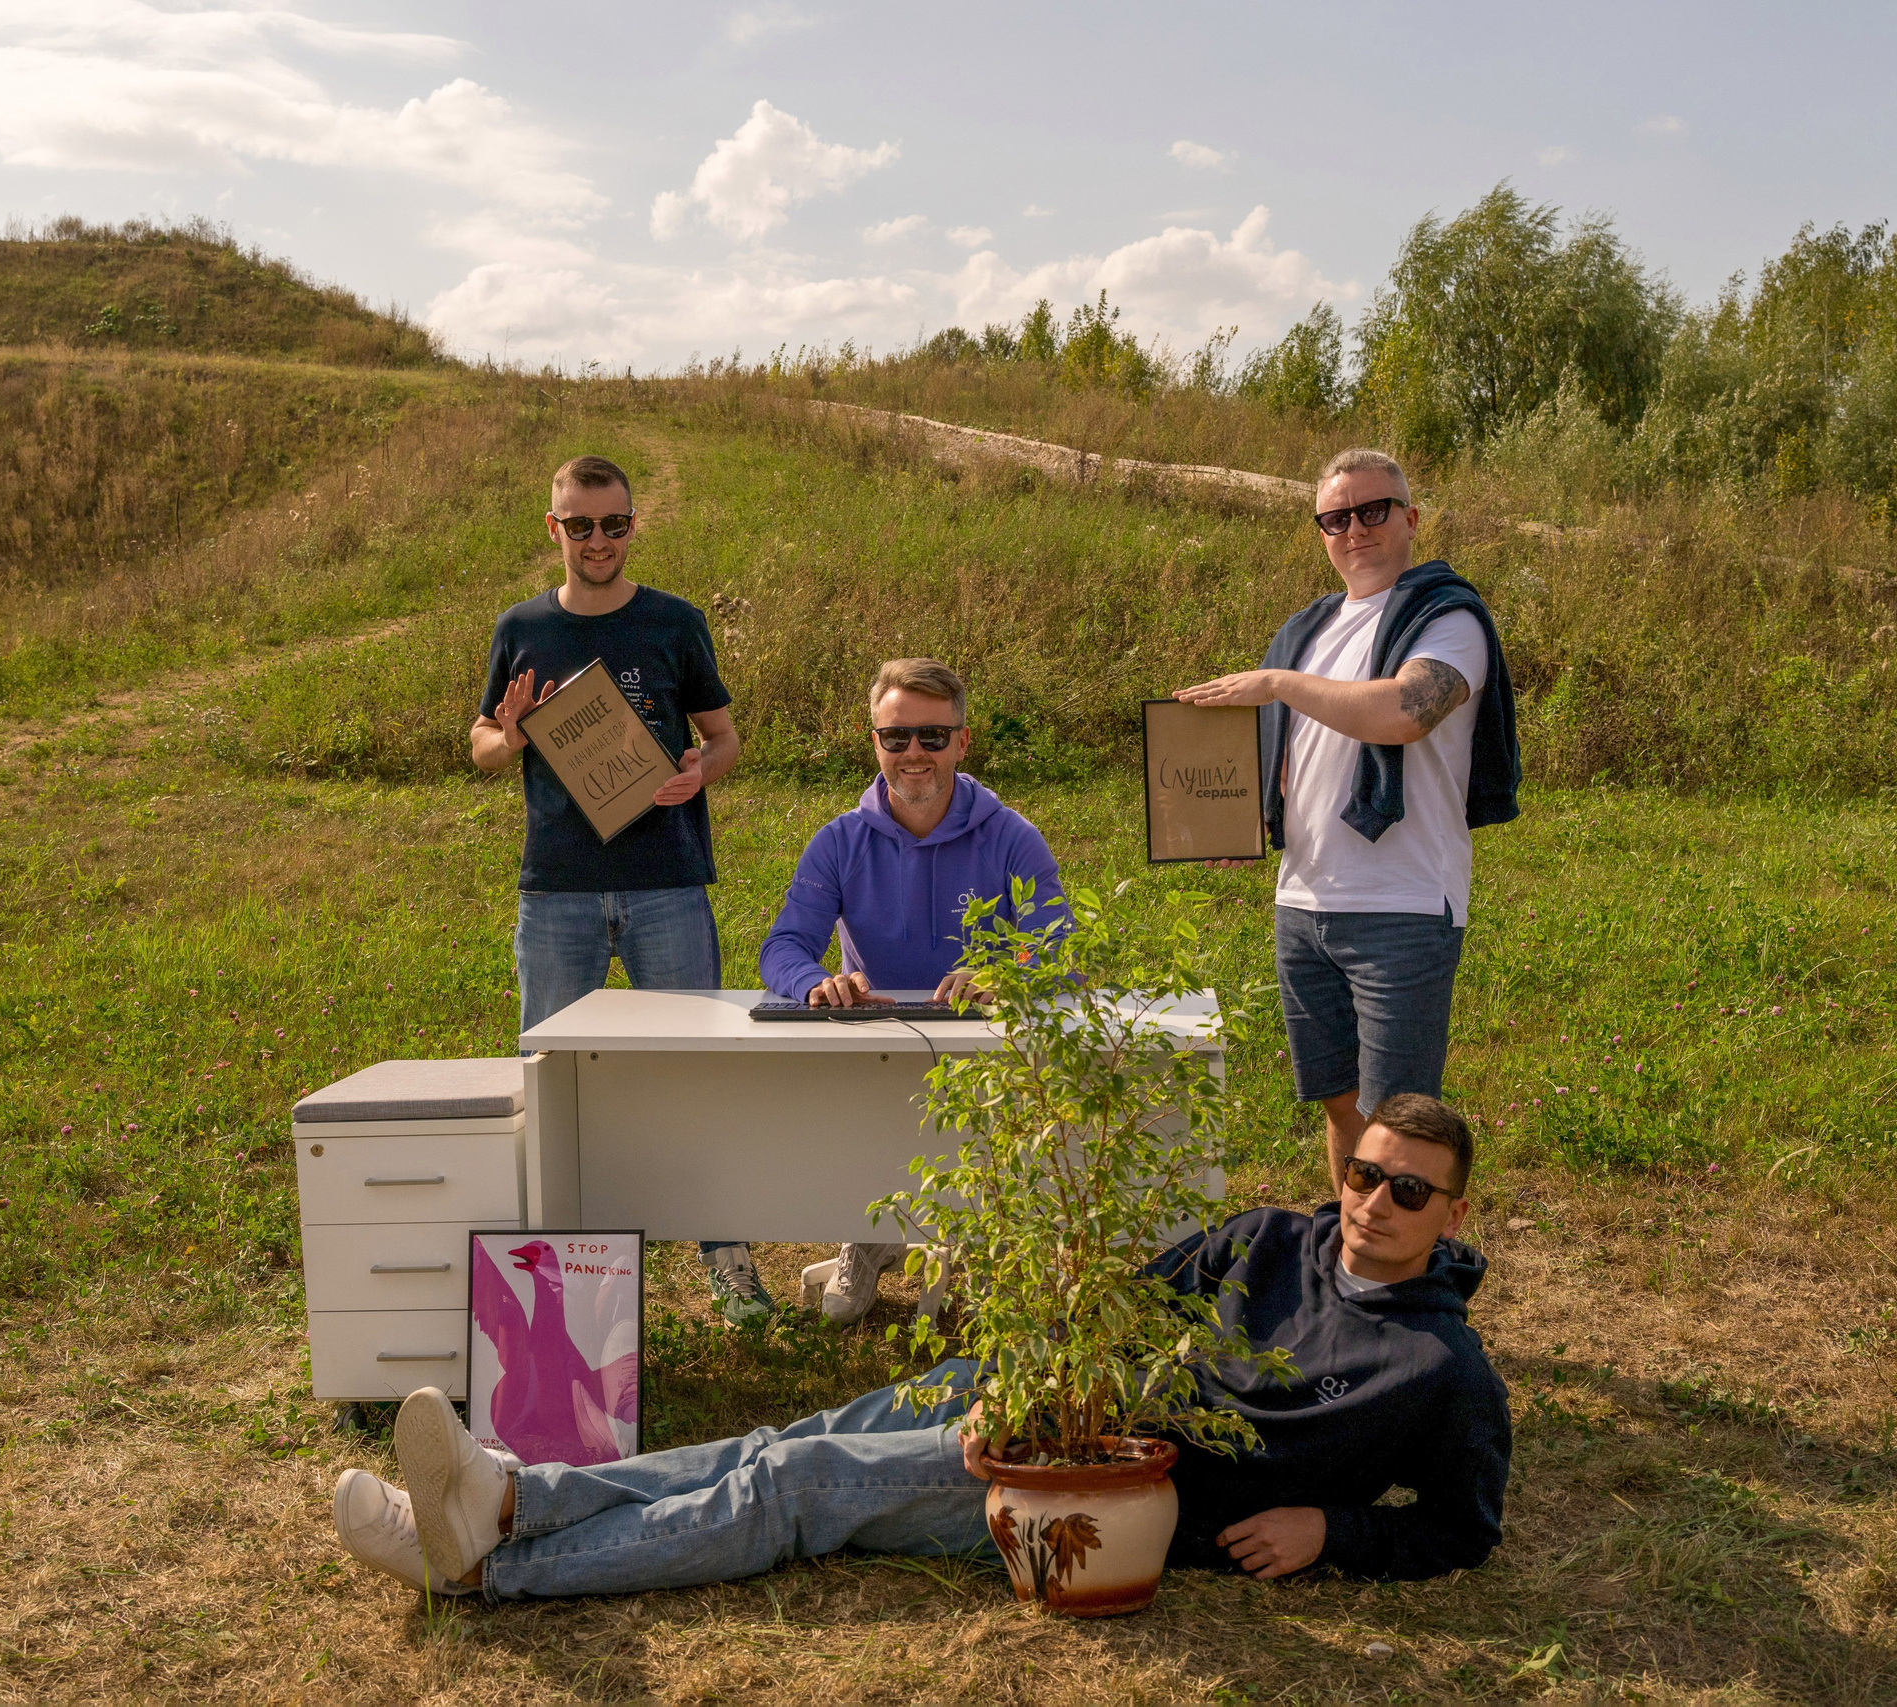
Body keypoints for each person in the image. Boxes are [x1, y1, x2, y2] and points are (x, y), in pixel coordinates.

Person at [330, 1094, 1511, 1598]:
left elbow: (1464, 1529)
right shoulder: (1268, 1237)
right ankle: (519, 1500)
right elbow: (1115, 1314)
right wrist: (1025, 1379)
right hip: (1042, 1401)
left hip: (1101, 1487)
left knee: (797, 1485)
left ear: (1451, 1214)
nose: (1375, 1202)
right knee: (782, 1438)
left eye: (1409, 1192)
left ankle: (487, 1569)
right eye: (1363, 1173)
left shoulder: (1440, 1371)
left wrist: (1334, 1531)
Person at [473, 453, 769, 1325]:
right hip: (558, 887)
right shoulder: (521, 626)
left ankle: (729, 1261)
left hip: (665, 880)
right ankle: (555, 1279)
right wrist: (514, 735)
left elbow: (724, 739)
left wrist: (695, 771)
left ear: (633, 525)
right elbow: (482, 746)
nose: (597, 540)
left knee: (697, 1073)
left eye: (614, 523)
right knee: (550, 1079)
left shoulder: (675, 623)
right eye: (579, 524)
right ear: (552, 528)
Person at [1174, 448, 1519, 1196]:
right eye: (1336, 517)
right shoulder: (1309, 628)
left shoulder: (1447, 616)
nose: (1354, 528)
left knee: (1399, 1122)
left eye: (1373, 510)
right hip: (1304, 903)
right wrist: (1240, 820)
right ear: (1321, 531)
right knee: (1337, 1101)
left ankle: (1400, 1283)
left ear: (1411, 518)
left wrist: (1273, 683)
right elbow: (1292, 752)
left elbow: (1401, 713)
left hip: (1402, 905)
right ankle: (1354, 1259)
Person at [756, 658, 1068, 1324]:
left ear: (962, 739)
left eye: (932, 735)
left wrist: (1005, 971)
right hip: (874, 1055)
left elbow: (1056, 943)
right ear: (875, 742)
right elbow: (783, 947)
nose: (914, 753)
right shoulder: (838, 842)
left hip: (985, 1059)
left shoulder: (1013, 837)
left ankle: (979, 1239)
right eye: (895, 737)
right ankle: (867, 1235)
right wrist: (817, 982)